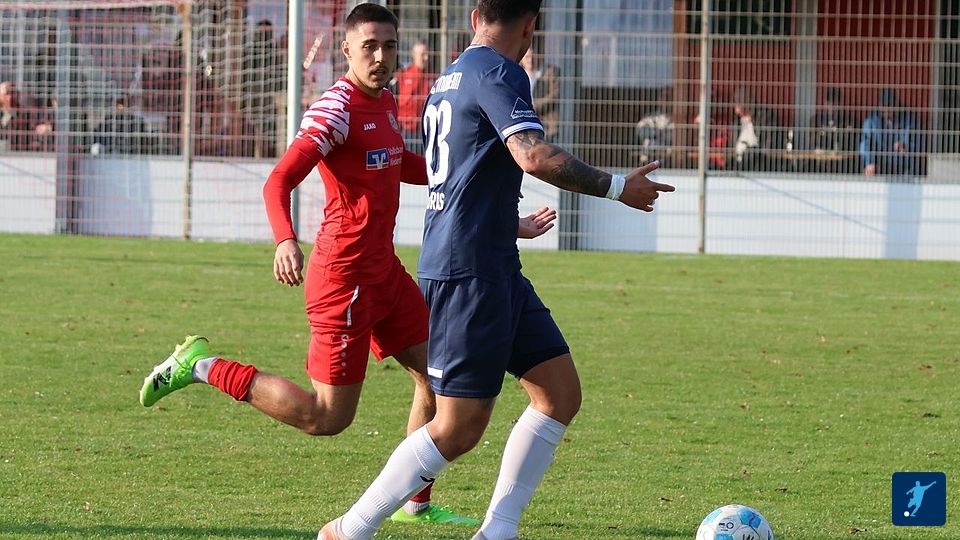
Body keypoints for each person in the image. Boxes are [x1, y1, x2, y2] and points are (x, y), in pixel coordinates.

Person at [137, 2, 555, 530]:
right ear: (346, 50)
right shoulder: (335, 108)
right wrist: (285, 239)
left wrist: (495, 212)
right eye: (369, 47)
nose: (381, 57)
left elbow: (408, 165)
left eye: (389, 46)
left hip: (386, 273)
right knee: (326, 417)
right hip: (343, 278)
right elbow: (279, 180)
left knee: (435, 377)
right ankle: (201, 366)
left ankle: (414, 503)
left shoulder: (385, 102)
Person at [318, 2, 674, 539]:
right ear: (531, 25)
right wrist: (618, 187)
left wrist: (507, 224)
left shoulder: (449, 78)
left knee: (558, 394)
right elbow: (532, 155)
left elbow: (462, 179)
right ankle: (349, 528)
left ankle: (497, 531)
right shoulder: (500, 72)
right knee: (457, 428)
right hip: (468, 272)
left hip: (493, 263)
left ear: (475, 16)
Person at [859, 88, 921, 176]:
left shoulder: (910, 120)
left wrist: (905, 147)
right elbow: (865, 143)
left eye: (889, 106)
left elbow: (919, 144)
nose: (887, 110)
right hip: (879, 164)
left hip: (903, 164)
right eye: (884, 107)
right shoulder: (872, 120)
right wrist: (870, 162)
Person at [393, 40, 433, 151]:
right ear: (414, 55)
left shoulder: (431, 76)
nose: (426, 58)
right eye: (423, 55)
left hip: (425, 128)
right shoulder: (403, 75)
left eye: (427, 54)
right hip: (407, 130)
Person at [808, 87, 858, 173]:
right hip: (820, 162)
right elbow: (813, 142)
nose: (832, 105)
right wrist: (836, 133)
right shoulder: (816, 120)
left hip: (842, 163)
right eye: (829, 102)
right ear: (825, 103)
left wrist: (827, 133)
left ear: (840, 103)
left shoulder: (850, 121)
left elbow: (849, 143)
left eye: (835, 102)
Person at [520, 46, 559, 142]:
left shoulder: (550, 72)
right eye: (527, 57)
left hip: (546, 121)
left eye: (533, 56)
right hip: (523, 123)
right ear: (522, 59)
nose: (530, 60)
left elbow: (554, 95)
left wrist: (533, 107)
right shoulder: (517, 73)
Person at [0, 81, 34, 152]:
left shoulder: (25, 113)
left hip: (17, 153)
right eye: (6, 94)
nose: (10, 97)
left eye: (13, 93)